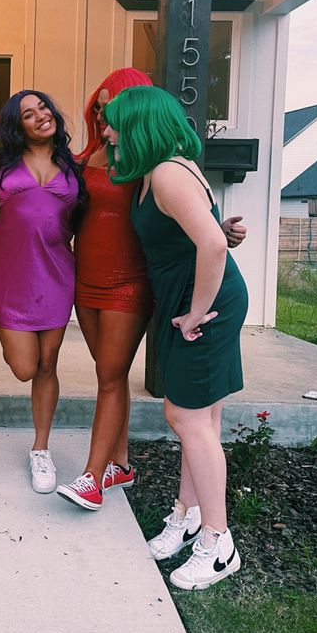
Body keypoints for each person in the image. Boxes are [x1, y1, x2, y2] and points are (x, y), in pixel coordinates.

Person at [57, 68, 246, 513]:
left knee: (114, 380)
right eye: (99, 108)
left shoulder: (154, 168)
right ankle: (125, 469)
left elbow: (190, 226)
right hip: (89, 280)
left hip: (134, 283)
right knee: (113, 376)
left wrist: (214, 237)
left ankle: (93, 477)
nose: (103, 119)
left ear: (137, 114)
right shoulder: (104, 159)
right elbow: (172, 222)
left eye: (112, 110)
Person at [103, 84, 247, 589]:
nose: (107, 131)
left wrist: (195, 313)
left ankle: (217, 542)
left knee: (186, 417)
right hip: (192, 301)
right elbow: (208, 231)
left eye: (114, 122)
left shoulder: (166, 173)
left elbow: (210, 245)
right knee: (199, 416)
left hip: (203, 306)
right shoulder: (160, 169)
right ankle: (187, 515)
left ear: (140, 123)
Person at [0, 90, 85, 493]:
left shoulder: (74, 167)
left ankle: (40, 448)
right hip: (9, 277)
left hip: (57, 274)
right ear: (17, 125)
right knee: (24, 366)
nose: (42, 115)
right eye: (29, 113)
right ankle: (39, 443)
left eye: (44, 107)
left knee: (47, 364)